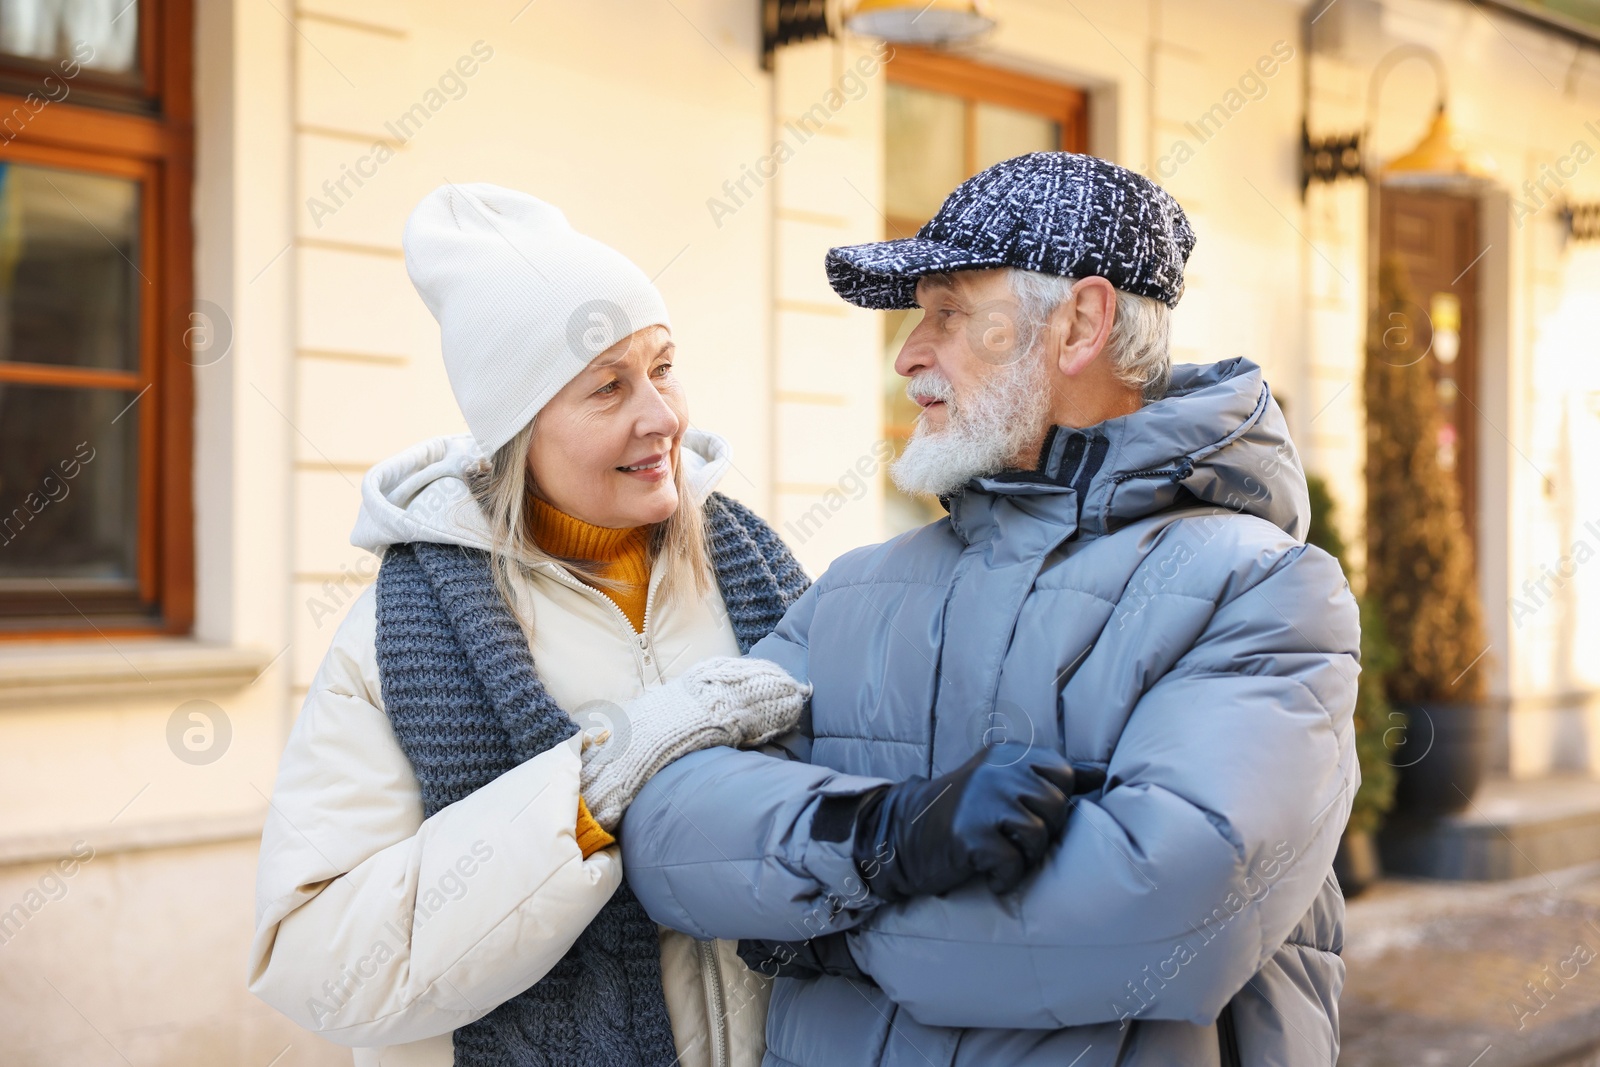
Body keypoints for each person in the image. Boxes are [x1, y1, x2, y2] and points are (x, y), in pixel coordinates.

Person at [616, 152, 1362, 1066]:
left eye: (950, 312)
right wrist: (886, 835)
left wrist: (817, 932)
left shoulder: (1263, 589)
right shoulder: (855, 589)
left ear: (1079, 324)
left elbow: (1152, 916)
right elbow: (664, 831)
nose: (909, 355)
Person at [247, 183, 813, 1067]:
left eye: (664, 366)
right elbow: (320, 967)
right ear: (519, 428)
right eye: (607, 386)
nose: (662, 415)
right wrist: (592, 791)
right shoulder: (404, 634)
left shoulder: (753, 566)